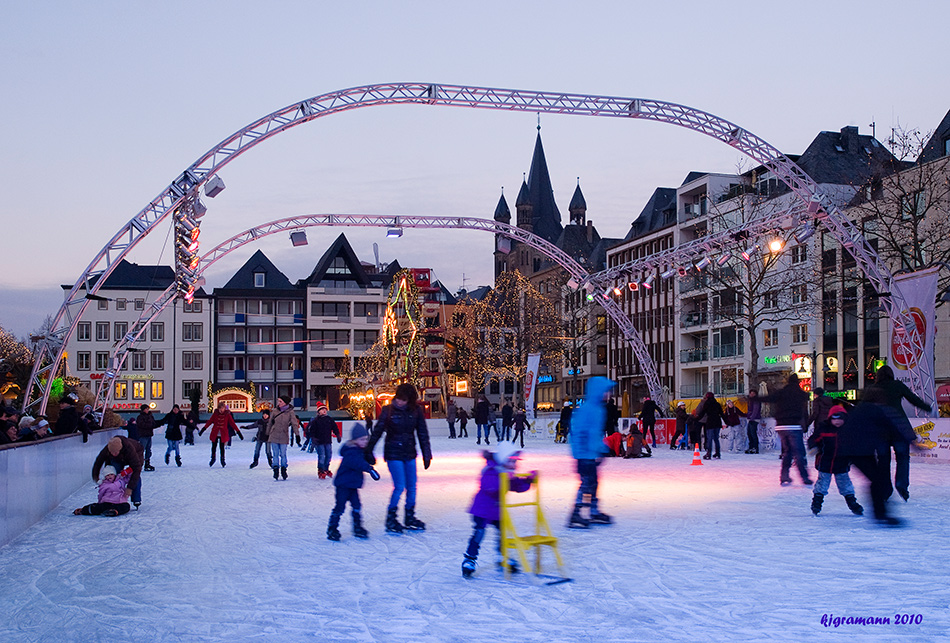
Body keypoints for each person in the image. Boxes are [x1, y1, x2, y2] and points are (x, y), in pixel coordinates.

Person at [461, 442, 537, 578]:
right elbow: (490, 487)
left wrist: (528, 480)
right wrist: (504, 479)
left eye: (515, 462)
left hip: (497, 512)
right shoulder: (491, 470)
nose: (514, 465)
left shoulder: (507, 473)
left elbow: (518, 487)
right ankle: (470, 559)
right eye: (511, 461)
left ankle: (502, 557)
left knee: (502, 535)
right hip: (482, 510)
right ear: (503, 459)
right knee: (479, 533)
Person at [365, 383, 432, 533]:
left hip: (409, 453)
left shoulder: (416, 411)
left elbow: (423, 433)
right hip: (393, 453)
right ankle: (391, 519)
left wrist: (426, 454)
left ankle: (409, 517)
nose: (400, 402)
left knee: (412, 487)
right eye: (398, 398)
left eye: (404, 399)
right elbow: (378, 431)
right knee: (400, 486)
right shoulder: (388, 410)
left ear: (410, 399)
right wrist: (368, 450)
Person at [866, 364, 932, 502]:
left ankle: (886, 490)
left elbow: (864, 408)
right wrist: (926, 407)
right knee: (902, 458)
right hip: (899, 428)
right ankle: (902, 485)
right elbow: (913, 399)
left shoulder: (873, 389)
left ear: (878, 376)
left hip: (881, 429)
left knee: (883, 461)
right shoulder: (897, 385)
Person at [837, 390, 903, 526]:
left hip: (855, 450)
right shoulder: (876, 410)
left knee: (877, 480)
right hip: (860, 451)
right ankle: (880, 514)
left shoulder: (858, 410)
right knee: (877, 481)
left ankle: (880, 514)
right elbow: (892, 428)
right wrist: (912, 442)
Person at [568, 376, 615, 528]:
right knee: (586, 484)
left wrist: (601, 449)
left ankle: (593, 511)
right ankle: (576, 513)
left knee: (593, 483)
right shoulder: (587, 409)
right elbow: (580, 433)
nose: (609, 394)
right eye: (606, 391)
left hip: (590, 454)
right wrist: (582, 453)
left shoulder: (598, 409)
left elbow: (595, 435)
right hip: (584, 456)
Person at [327, 423, 380, 541]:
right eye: (362, 439)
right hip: (343, 485)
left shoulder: (360, 450)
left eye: (366, 439)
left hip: (352, 485)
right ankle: (332, 529)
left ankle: (357, 527)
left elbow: (370, 460)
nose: (365, 441)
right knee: (340, 507)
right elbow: (357, 463)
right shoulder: (351, 451)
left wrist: (369, 455)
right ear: (355, 440)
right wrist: (370, 469)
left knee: (357, 505)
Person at [807, 405, 863, 516]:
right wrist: (813, 447)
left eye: (840, 419)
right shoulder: (824, 429)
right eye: (834, 419)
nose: (837, 422)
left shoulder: (849, 430)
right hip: (824, 462)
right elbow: (813, 439)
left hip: (842, 463)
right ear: (830, 419)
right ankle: (816, 503)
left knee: (845, 485)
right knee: (822, 484)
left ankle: (852, 503)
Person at [759, 373, 813, 486]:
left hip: (781, 426)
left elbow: (769, 398)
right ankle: (804, 477)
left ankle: (784, 476)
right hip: (793, 425)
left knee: (787, 452)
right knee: (799, 452)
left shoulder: (781, 392)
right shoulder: (799, 393)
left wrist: (754, 398)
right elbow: (807, 397)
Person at [92, 436, 144, 509]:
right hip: (119, 458)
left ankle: (136, 499)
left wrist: (129, 488)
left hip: (137, 454)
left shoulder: (129, 449)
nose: (113, 454)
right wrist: (96, 477)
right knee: (113, 474)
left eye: (115, 452)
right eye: (111, 452)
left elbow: (137, 469)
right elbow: (98, 462)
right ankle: (113, 497)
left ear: (120, 449)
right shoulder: (107, 449)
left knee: (135, 476)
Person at [266, 395, 300, 480]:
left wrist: (297, 435)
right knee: (275, 454)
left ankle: (284, 469)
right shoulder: (275, 411)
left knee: (283, 454)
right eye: (278, 401)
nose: (279, 403)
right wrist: (267, 433)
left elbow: (294, 423)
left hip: (284, 435)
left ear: (285, 402)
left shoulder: (290, 412)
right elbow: (270, 423)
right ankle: (276, 470)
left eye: (280, 401)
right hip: (274, 435)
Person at [199, 401, 243, 468]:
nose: (221, 410)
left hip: (223, 433)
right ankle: (213, 458)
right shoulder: (215, 414)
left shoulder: (227, 415)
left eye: (222, 408)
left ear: (224, 408)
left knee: (222, 447)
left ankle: (222, 460)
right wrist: (203, 429)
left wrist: (238, 432)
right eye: (220, 409)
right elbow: (209, 422)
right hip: (215, 433)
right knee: (214, 447)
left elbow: (232, 424)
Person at [310, 404, 341, 479]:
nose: (324, 410)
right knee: (321, 456)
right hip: (319, 441)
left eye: (325, 409)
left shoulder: (329, 419)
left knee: (328, 455)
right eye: (322, 409)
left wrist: (337, 435)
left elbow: (335, 427)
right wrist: (313, 438)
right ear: (318, 412)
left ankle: (326, 468)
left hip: (328, 441)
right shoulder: (316, 421)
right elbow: (312, 431)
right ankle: (321, 470)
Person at [695, 392, 725, 460]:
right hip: (717, 422)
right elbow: (722, 414)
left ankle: (709, 453)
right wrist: (727, 422)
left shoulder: (707, 404)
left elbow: (702, 413)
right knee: (716, 439)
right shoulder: (717, 404)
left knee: (709, 439)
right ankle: (718, 453)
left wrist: (696, 419)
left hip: (710, 422)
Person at [134, 404, 157, 472]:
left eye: (148, 409)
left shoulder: (150, 416)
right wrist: (150, 425)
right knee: (141, 450)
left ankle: (147, 463)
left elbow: (153, 423)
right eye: (146, 409)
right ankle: (138, 463)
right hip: (143, 435)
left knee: (148, 450)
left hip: (149, 435)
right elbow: (141, 425)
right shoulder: (140, 417)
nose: (147, 410)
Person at [744, 390, 762, 454]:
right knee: (749, 433)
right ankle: (751, 447)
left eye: (753, 393)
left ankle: (755, 448)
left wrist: (752, 418)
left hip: (754, 419)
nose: (751, 395)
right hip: (750, 418)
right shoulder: (750, 401)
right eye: (750, 393)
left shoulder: (755, 401)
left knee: (753, 433)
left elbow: (755, 410)